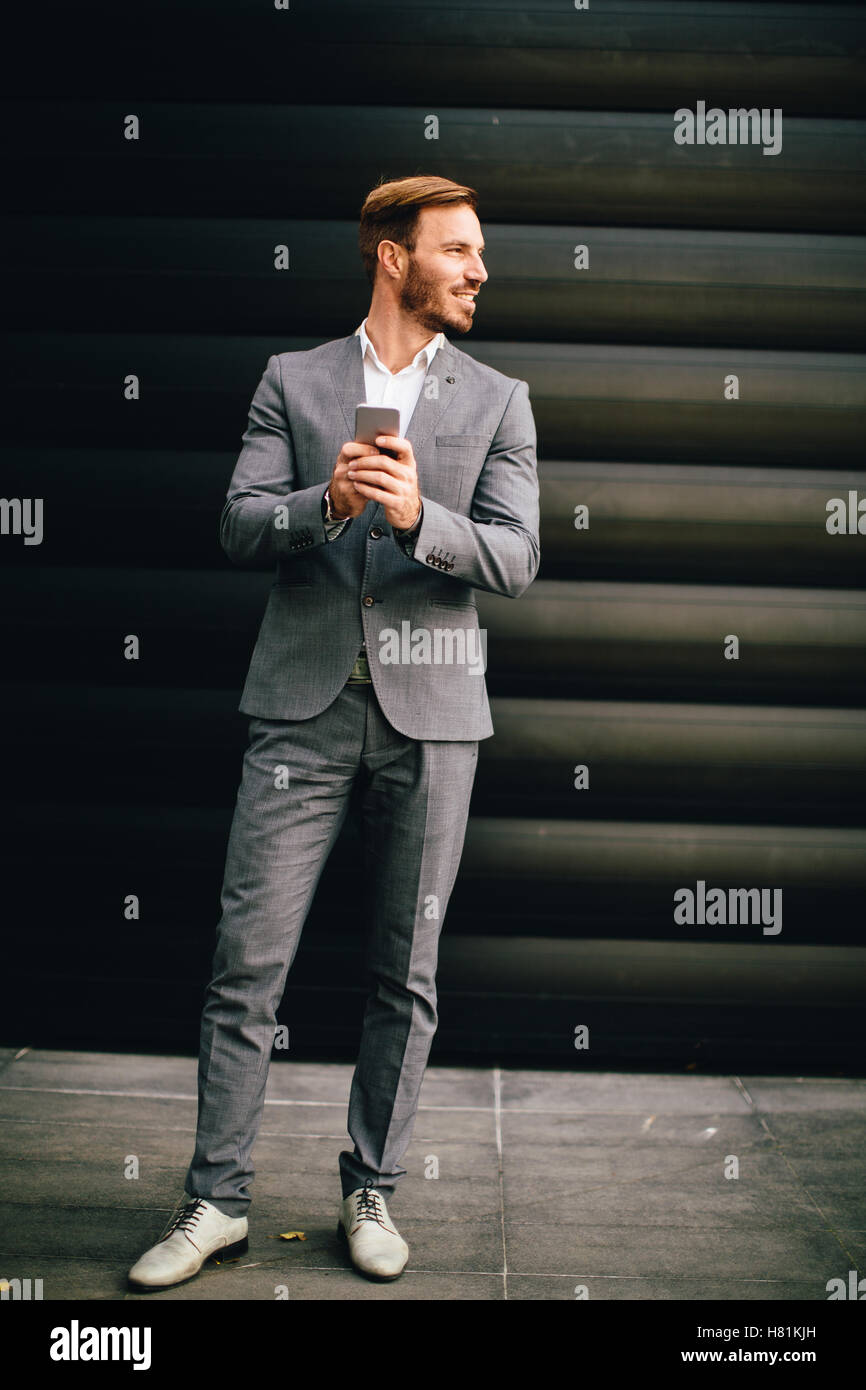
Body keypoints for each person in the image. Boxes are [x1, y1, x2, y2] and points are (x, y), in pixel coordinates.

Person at [128, 173, 540, 1290]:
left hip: (435, 714)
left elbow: (515, 556)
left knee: (404, 973)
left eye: (478, 253)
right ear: (392, 256)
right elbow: (236, 522)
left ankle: (372, 1187)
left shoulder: (499, 399)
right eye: (457, 250)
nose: (477, 270)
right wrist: (329, 504)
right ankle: (215, 1201)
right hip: (298, 713)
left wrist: (416, 518)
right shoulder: (292, 380)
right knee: (243, 966)